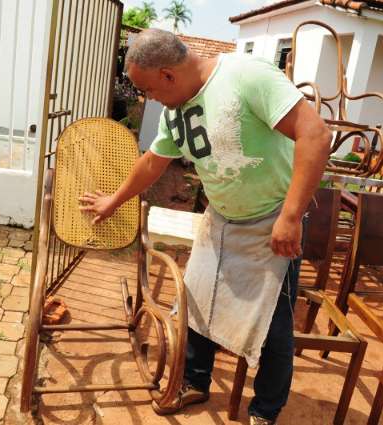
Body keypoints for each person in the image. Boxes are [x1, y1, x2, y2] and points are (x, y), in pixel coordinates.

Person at [79, 29, 331, 425]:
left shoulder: (246, 75)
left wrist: (290, 215)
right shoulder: (176, 110)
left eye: (149, 89)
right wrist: (114, 199)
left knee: (272, 325)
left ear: (167, 75)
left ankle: (265, 413)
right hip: (221, 219)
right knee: (198, 303)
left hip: (272, 221)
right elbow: (152, 162)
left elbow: (315, 134)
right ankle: (195, 382)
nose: (150, 99)